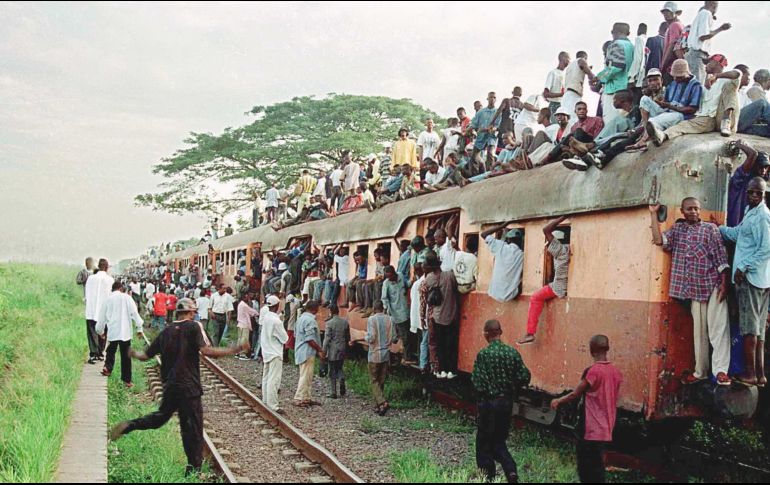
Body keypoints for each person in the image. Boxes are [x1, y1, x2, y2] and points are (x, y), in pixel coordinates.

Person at [109, 298, 248, 474]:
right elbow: (206, 351)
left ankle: (129, 425)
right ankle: (193, 471)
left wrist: (132, 353)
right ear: (190, 312)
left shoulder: (165, 331)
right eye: (193, 312)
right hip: (189, 388)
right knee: (193, 431)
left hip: (170, 386)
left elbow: (144, 355)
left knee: (159, 417)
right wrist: (234, 350)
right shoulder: (193, 326)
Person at [650, 198, 731, 385]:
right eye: (690, 209)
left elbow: (721, 258)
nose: (694, 212)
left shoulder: (710, 229)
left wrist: (725, 284)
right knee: (699, 333)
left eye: (696, 208)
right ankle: (700, 372)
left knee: (718, 330)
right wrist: (653, 214)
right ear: (682, 211)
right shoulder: (678, 230)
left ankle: (721, 371)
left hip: (713, 285)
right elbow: (658, 240)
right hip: (694, 289)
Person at [551, 335, 623, 484]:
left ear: (591, 350)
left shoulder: (593, 371)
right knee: (598, 467)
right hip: (607, 427)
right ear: (607, 349)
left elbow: (575, 393)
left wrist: (558, 401)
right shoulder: (616, 372)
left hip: (591, 429)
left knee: (586, 468)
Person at [719, 178, 770, 387]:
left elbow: (766, 248)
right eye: (750, 192)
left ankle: (751, 373)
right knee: (756, 329)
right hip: (757, 278)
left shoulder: (762, 217)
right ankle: (759, 375)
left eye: (758, 193)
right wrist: (718, 229)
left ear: (764, 194)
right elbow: (737, 234)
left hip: (752, 279)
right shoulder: (750, 212)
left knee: (750, 328)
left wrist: (743, 266)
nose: (753, 196)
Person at [472, 320, 531, 484]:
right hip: (506, 403)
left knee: (483, 442)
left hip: (488, 404)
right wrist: (511, 387)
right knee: (498, 440)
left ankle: (488, 477)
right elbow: (524, 376)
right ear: (501, 332)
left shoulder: (483, 355)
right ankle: (511, 470)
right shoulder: (512, 353)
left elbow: (477, 382)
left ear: (485, 334)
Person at [650, 58, 747, 143]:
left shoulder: (727, 80)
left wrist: (717, 76)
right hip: (707, 119)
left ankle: (727, 121)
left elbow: (737, 74)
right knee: (683, 126)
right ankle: (663, 136)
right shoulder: (704, 85)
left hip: (721, 117)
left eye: (709, 62)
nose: (705, 65)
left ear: (718, 64)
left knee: (729, 87)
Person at [518, 217, 570, 346]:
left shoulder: (560, 250)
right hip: (561, 284)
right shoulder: (567, 249)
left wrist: (563, 216)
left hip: (558, 286)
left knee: (535, 297)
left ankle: (530, 333)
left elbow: (546, 229)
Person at [96, 281, 144, 388]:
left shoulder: (108, 299)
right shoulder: (127, 298)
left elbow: (101, 318)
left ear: (112, 289)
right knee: (126, 355)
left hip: (113, 330)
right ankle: (127, 380)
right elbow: (134, 313)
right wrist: (139, 328)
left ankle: (107, 368)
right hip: (125, 331)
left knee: (110, 350)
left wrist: (100, 331)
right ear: (121, 288)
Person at [641, 61, 702, 144]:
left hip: (682, 115)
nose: (675, 79)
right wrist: (661, 103)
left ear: (686, 74)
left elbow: (693, 109)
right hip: (669, 111)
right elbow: (666, 102)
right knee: (644, 100)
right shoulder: (673, 83)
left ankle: (645, 140)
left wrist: (670, 106)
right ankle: (645, 134)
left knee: (653, 121)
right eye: (674, 77)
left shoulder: (695, 85)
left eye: (678, 77)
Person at [423, 254, 460, 379]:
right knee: (451, 345)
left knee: (440, 344)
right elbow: (456, 289)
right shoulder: (449, 275)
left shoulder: (429, 278)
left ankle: (441, 370)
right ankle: (451, 370)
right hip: (451, 314)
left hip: (437, 316)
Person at [596, 23, 634, 124]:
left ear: (613, 32)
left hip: (613, 90)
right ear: (628, 33)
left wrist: (599, 77)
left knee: (610, 121)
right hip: (626, 87)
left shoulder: (615, 44)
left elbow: (616, 67)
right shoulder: (631, 46)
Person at [727, 140, 770, 227]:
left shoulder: (761, 183)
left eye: (766, 167)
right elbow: (753, 154)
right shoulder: (740, 179)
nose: (763, 170)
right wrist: (739, 144)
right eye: (761, 166)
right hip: (736, 227)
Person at [686, 1, 732, 83]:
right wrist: (721, 28)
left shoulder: (702, 14)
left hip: (696, 55)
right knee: (697, 85)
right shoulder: (706, 13)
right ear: (714, 6)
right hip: (697, 54)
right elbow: (703, 36)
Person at [481, 223, 524, 303]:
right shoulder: (522, 255)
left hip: (494, 292)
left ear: (508, 240)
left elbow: (484, 234)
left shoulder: (501, 247)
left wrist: (501, 226)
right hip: (511, 295)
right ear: (521, 241)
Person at [293, 300, 325, 407]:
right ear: (315, 309)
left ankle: (306, 397)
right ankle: (299, 398)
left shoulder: (301, 319)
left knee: (307, 375)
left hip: (300, 350)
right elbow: (310, 339)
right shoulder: (310, 320)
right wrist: (319, 350)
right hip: (307, 351)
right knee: (305, 376)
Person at [366, 300, 394, 416]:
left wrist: (365, 336)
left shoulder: (371, 319)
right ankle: (379, 406)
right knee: (381, 381)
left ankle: (382, 402)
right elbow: (393, 337)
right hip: (386, 354)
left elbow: (371, 337)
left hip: (374, 354)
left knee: (374, 380)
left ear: (374, 308)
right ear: (383, 308)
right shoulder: (390, 319)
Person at [261, 295, 288, 412]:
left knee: (266, 377)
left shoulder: (266, 317)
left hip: (266, 350)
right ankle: (273, 405)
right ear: (277, 306)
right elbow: (285, 338)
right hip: (275, 352)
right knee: (274, 379)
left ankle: (266, 400)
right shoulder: (276, 321)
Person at [382, 265, 413, 365]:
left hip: (406, 310)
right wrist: (386, 309)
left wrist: (413, 280)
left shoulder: (401, 276)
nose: (390, 279)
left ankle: (407, 356)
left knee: (409, 335)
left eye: (391, 276)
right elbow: (384, 298)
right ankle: (406, 358)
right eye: (388, 277)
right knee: (405, 337)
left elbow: (407, 284)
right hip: (397, 314)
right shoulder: (386, 284)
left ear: (394, 273)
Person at [85, 259, 114, 364]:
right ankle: (101, 353)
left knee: (92, 331)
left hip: (91, 310)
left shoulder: (91, 278)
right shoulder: (110, 280)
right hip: (104, 311)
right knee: (103, 331)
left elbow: (87, 294)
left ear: (98, 266)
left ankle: (93, 354)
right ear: (106, 268)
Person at [321, 306, 350, 399]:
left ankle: (333, 392)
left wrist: (323, 351)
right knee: (340, 367)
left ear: (331, 312)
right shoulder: (345, 322)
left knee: (332, 370)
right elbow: (347, 337)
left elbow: (327, 339)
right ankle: (341, 378)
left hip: (333, 350)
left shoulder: (329, 323)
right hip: (342, 348)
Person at [470, 92, 501, 171]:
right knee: (474, 156)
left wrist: (493, 129)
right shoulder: (481, 112)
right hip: (481, 137)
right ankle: (475, 173)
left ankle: (489, 173)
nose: (492, 99)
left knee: (490, 154)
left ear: (496, 99)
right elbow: (473, 124)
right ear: (487, 99)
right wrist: (470, 130)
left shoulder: (498, 112)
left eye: (494, 97)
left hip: (491, 137)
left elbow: (499, 126)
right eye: (491, 97)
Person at [561, 52, 597, 121]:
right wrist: (592, 76)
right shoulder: (581, 60)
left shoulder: (570, 66)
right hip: (573, 95)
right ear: (585, 58)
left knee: (568, 119)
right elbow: (583, 65)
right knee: (574, 119)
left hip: (567, 96)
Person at [660, 2, 685, 84]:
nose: (666, 14)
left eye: (669, 11)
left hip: (671, 64)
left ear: (677, 13)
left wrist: (662, 65)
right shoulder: (678, 25)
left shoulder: (675, 25)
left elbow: (672, 45)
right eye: (664, 12)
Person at [543, 52, 570, 121]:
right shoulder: (553, 73)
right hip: (554, 106)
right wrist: (561, 94)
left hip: (564, 106)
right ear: (562, 59)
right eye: (568, 58)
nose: (569, 60)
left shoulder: (566, 74)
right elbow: (545, 94)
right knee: (555, 128)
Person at [236, 293, 259, 360]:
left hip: (240, 324)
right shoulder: (244, 305)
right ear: (244, 298)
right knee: (244, 340)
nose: (248, 298)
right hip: (244, 324)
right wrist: (257, 313)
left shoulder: (240, 304)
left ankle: (237, 352)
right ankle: (243, 354)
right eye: (247, 297)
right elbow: (251, 311)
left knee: (240, 339)